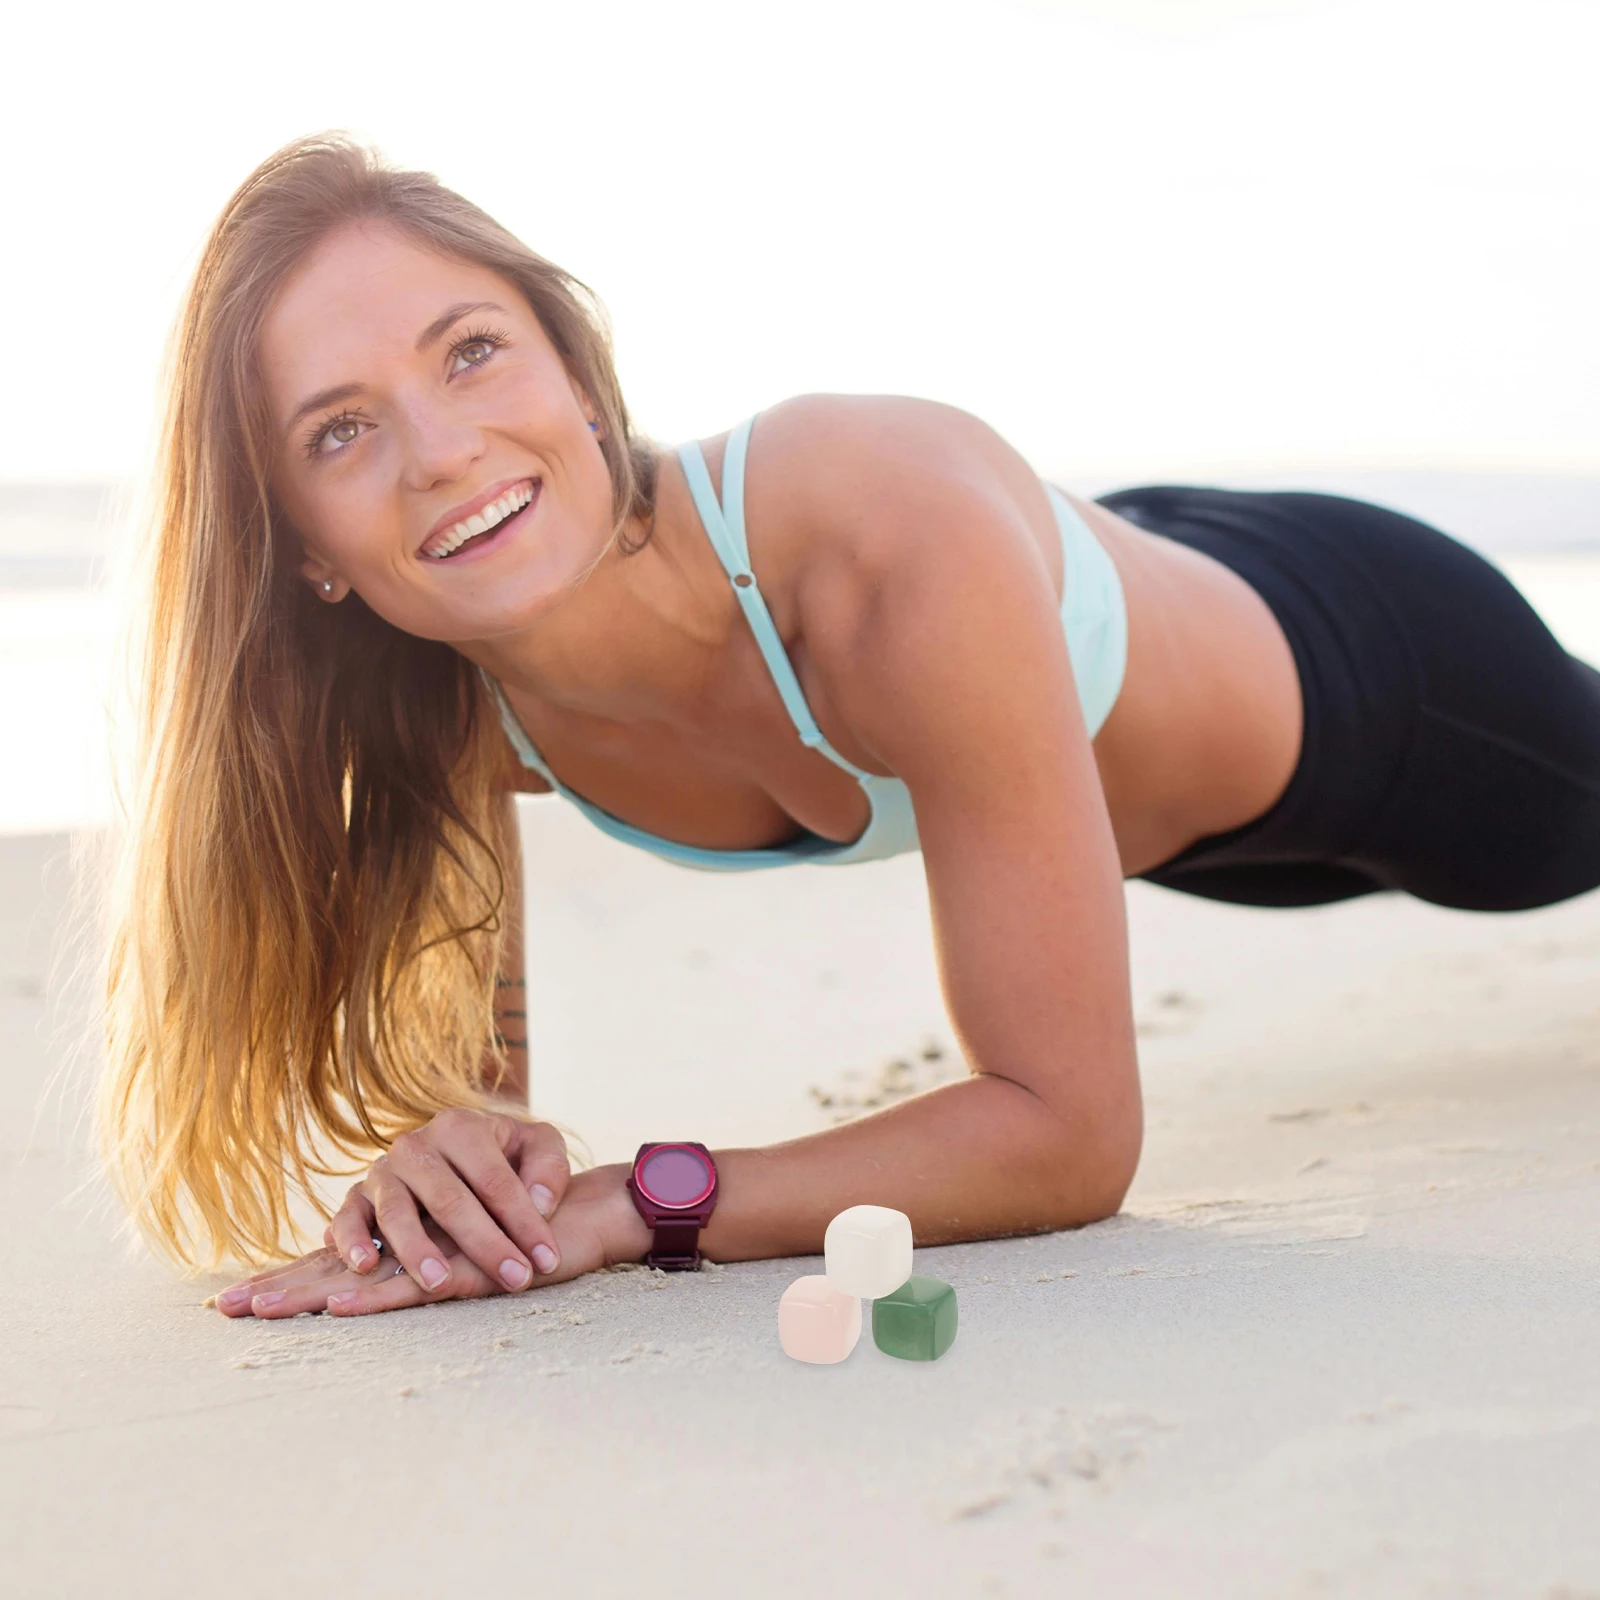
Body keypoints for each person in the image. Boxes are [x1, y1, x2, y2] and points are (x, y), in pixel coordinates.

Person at [100, 134, 1600, 1319]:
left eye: (472, 349)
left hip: (1384, 687)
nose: (439, 450)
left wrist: (647, 1200)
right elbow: (489, 1086)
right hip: (1157, 775)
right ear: (301, 542)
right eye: (340, 430)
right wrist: (456, 1155)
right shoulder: (443, 706)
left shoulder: (875, 537)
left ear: (572, 360)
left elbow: (1069, 1135)